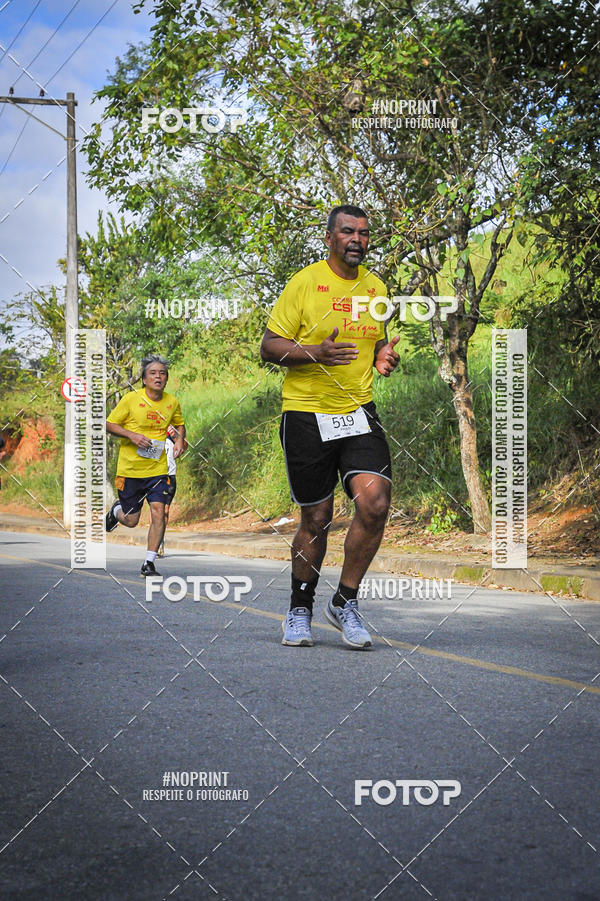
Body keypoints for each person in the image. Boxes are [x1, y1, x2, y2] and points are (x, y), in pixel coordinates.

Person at [260, 204, 400, 649]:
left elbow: (375, 345)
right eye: (347, 231)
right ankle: (299, 609)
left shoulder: (376, 287)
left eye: (363, 232)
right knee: (317, 518)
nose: (357, 239)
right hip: (305, 413)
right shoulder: (304, 283)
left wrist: (383, 358)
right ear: (329, 238)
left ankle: (344, 602)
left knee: (375, 503)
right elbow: (268, 347)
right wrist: (315, 352)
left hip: (357, 411)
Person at [105, 354, 186, 577]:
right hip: (130, 469)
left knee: (159, 511)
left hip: (158, 469)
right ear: (144, 379)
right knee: (131, 520)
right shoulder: (131, 399)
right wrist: (131, 435)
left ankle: (149, 562)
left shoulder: (172, 402)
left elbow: (179, 424)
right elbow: (109, 424)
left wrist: (179, 440)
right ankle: (116, 511)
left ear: (166, 379)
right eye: (153, 373)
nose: (158, 377)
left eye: (162, 373)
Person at [157, 425, 188, 557]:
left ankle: (160, 540)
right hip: (155, 476)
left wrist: (175, 436)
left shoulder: (173, 430)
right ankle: (156, 542)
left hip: (170, 476)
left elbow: (184, 446)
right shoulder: (151, 430)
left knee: (165, 511)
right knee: (156, 510)